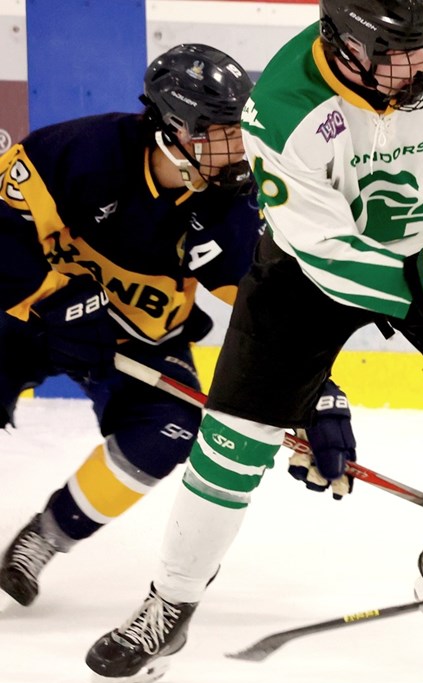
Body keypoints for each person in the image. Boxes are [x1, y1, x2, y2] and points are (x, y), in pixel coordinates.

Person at [82, 0, 423, 683]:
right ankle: (170, 601)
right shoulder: (280, 109)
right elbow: (331, 259)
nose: (417, 67)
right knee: (233, 439)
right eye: (396, 57)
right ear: (346, 45)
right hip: (313, 267)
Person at [0, 45, 264, 608]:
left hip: (138, 336)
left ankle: (45, 538)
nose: (236, 150)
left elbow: (266, 312)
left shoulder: (229, 203)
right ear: (173, 130)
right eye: (219, 135)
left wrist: (316, 392)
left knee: (170, 427)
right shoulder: (74, 154)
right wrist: (54, 303)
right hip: (32, 317)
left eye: (239, 132)